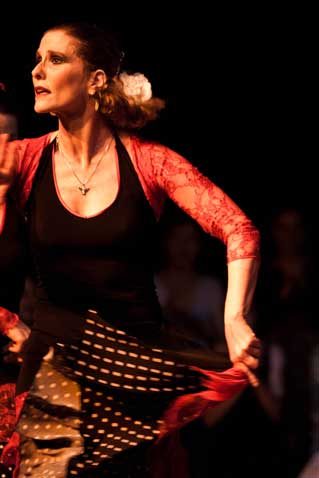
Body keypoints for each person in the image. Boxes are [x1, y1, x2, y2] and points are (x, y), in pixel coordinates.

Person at [0, 22, 261, 478]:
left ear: (96, 79)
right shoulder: (22, 159)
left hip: (131, 373)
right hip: (52, 369)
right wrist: (6, 322)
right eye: (38, 58)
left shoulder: (148, 161)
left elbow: (239, 228)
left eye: (56, 59)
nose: (37, 70)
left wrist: (234, 317)